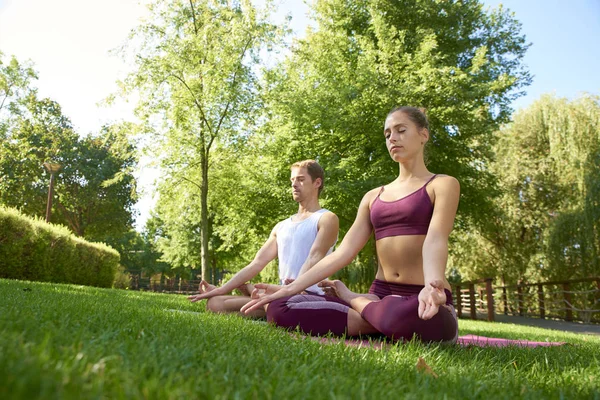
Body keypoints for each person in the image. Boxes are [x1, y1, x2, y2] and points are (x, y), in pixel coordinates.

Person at [242, 107, 460, 343]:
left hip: (422, 295)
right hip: (378, 297)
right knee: (279, 307)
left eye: (401, 130)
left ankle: (355, 302)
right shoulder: (372, 196)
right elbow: (344, 252)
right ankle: (380, 320)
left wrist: (431, 286)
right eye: (387, 134)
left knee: (407, 315)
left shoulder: (442, 184)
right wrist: (289, 289)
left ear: (423, 135)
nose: (392, 138)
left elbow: (436, 238)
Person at [188, 160, 339, 318]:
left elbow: (314, 257)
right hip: (281, 294)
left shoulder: (326, 218)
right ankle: (258, 295)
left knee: (277, 305)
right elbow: (257, 263)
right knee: (215, 303)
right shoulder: (281, 226)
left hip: (309, 294)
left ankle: (257, 294)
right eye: (292, 180)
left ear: (317, 182)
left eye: (301, 179)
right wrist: (221, 289)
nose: (294, 184)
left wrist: (291, 287)